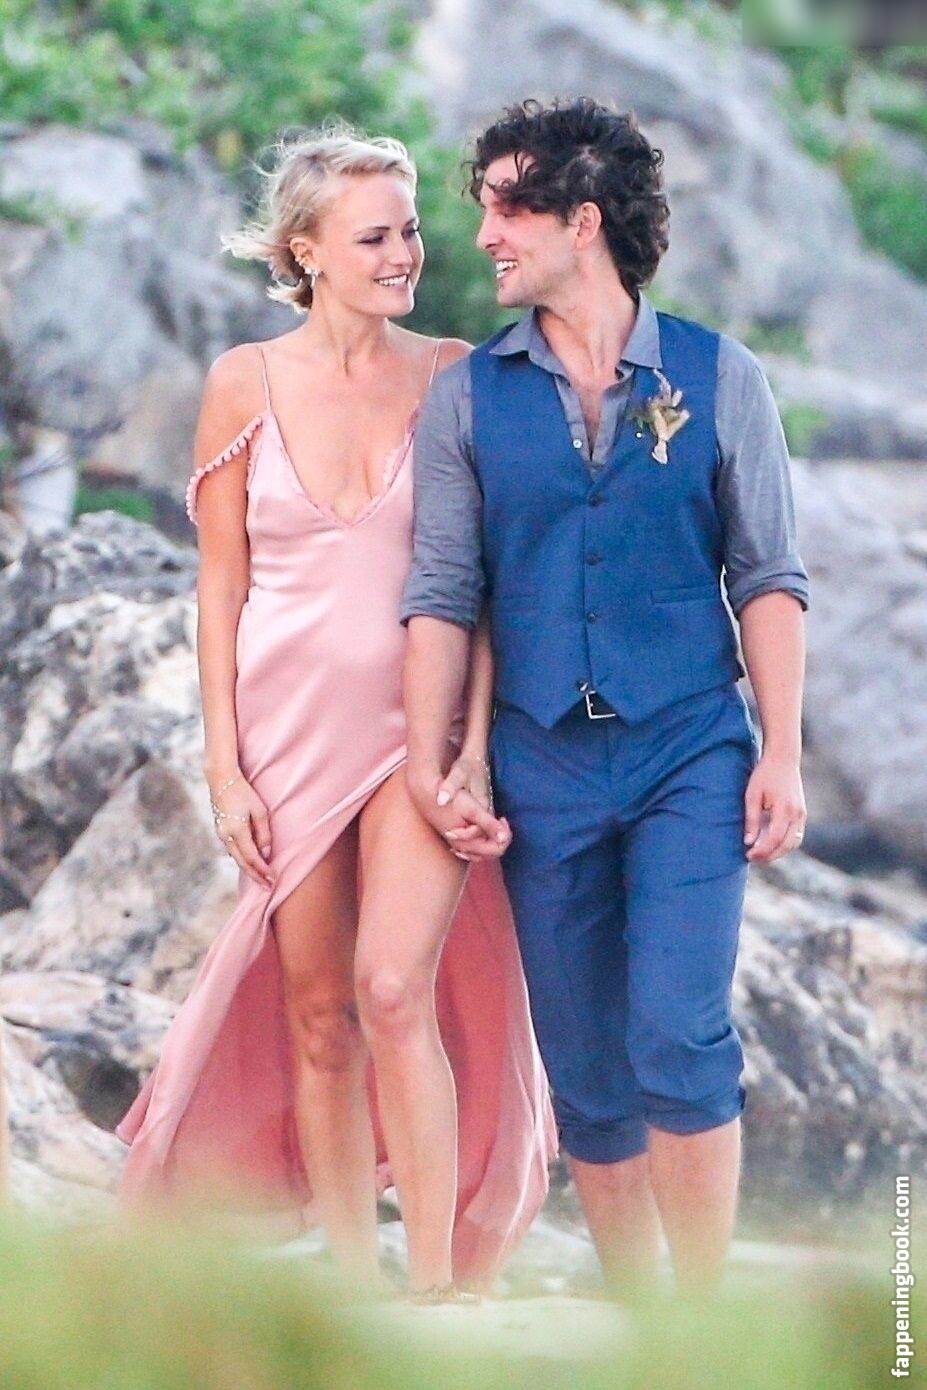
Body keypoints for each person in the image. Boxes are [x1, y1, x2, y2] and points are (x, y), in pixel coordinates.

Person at [116, 126, 555, 1299]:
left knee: (394, 989)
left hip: (419, 733)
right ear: (305, 251)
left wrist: (473, 747)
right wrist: (225, 769)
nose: (404, 253)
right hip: (286, 737)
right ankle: (359, 1293)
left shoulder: (458, 374)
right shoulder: (242, 382)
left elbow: (489, 584)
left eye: (409, 230)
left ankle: (438, 1289)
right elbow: (221, 585)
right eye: (374, 237)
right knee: (320, 1015)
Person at [402, 98, 810, 1298]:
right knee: (583, 1061)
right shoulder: (469, 396)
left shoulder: (720, 377)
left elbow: (768, 576)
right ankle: (640, 1320)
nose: (483, 233)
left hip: (690, 748)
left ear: (582, 221)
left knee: (678, 1030)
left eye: (507, 208)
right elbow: (444, 590)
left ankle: (704, 1322)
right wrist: (437, 761)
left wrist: (782, 751)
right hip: (542, 761)